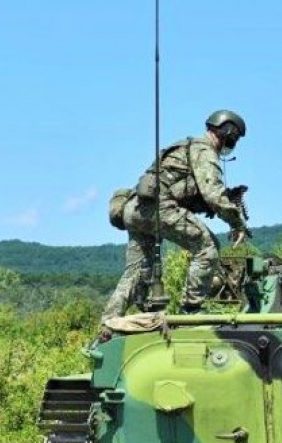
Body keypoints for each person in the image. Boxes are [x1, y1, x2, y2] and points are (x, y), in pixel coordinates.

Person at [102, 110, 249, 322]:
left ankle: (108, 323)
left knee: (135, 272)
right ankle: (191, 309)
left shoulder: (186, 146)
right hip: (159, 209)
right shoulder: (204, 151)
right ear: (228, 132)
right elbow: (213, 194)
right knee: (207, 248)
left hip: (135, 209)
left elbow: (182, 189)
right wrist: (237, 223)